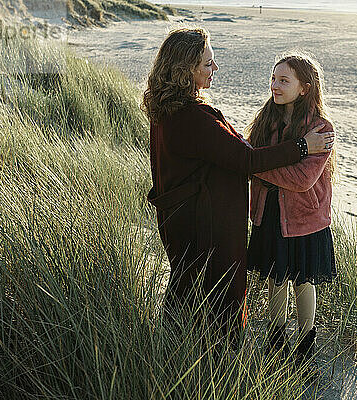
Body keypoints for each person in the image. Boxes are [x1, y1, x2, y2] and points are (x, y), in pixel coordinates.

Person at [142, 28, 334, 337]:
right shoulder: (195, 117)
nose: (214, 69)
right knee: (216, 296)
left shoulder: (168, 107)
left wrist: (254, 160)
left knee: (188, 289)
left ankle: (177, 349)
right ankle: (214, 367)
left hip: (185, 219)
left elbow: (256, 160)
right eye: (207, 63)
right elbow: (245, 159)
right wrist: (300, 148)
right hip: (203, 224)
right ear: (185, 68)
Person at [246, 53, 337, 361]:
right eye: (273, 78)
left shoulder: (321, 129)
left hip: (303, 219)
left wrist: (257, 165)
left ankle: (306, 344)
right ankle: (275, 341)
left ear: (304, 88)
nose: (275, 85)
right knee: (275, 279)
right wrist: (256, 162)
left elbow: (301, 179)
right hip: (268, 212)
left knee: (303, 280)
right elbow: (250, 156)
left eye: (284, 80)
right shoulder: (265, 120)